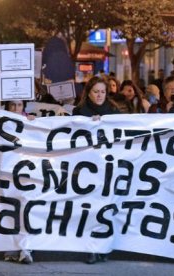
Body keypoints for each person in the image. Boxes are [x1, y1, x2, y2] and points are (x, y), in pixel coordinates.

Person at [72, 76, 120, 264]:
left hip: (109, 167)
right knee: (90, 209)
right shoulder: (79, 112)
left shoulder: (114, 111)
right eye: (96, 92)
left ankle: (104, 246)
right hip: (87, 168)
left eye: (103, 92)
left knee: (106, 207)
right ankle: (90, 248)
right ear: (88, 93)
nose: (99, 95)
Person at [2, 99, 34, 264]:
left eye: (19, 105)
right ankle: (11, 245)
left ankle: (25, 247)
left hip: (26, 172)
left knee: (26, 207)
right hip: (7, 172)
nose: (15, 108)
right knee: (10, 207)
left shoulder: (31, 121)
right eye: (12, 105)